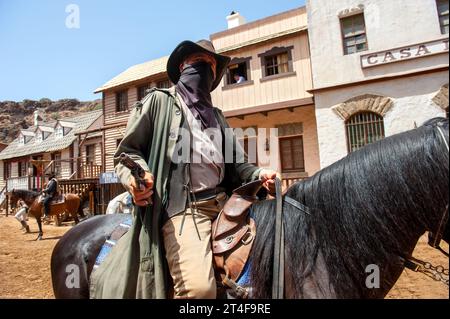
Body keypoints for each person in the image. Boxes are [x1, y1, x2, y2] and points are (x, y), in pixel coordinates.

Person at [90, 39, 278, 299]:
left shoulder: (217, 116)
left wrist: (259, 175)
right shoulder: (159, 102)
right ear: (182, 66)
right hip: (186, 210)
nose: (206, 68)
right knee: (200, 292)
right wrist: (137, 177)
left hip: (228, 206)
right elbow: (127, 153)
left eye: (211, 65)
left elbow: (240, 165)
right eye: (199, 62)